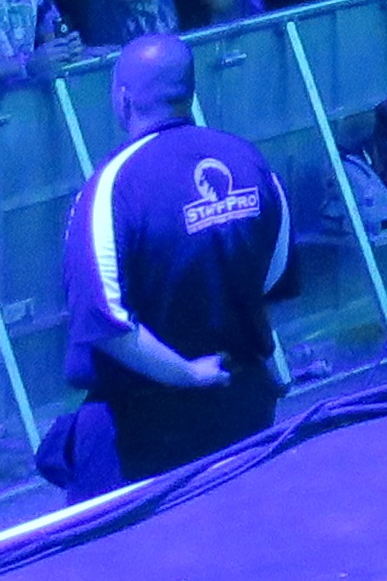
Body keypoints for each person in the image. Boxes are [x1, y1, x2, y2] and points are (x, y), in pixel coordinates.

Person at [49, 31, 291, 488]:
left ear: (124, 100)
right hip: (242, 402)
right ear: (189, 93)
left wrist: (189, 375)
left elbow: (107, 323)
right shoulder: (250, 162)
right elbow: (272, 277)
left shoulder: (110, 189)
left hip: (143, 428)